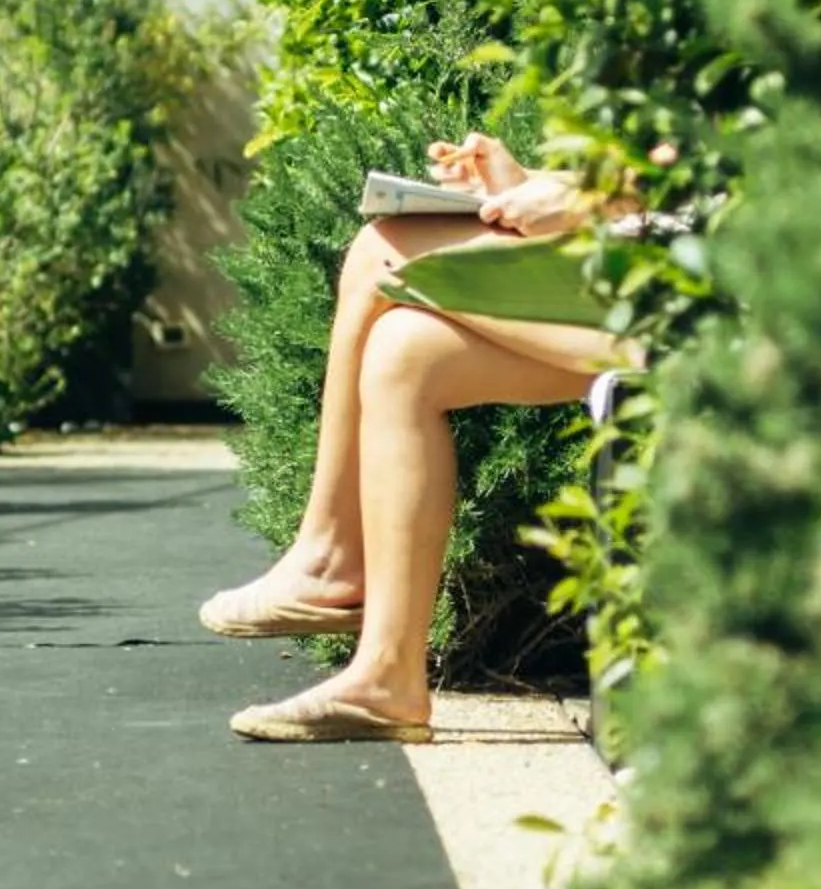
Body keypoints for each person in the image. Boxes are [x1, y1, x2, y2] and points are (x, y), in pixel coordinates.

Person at [199, 131, 638, 744]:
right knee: (403, 353)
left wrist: (585, 199)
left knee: (386, 249)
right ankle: (387, 677)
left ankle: (331, 558)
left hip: (716, 309)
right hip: (655, 274)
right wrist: (535, 184)